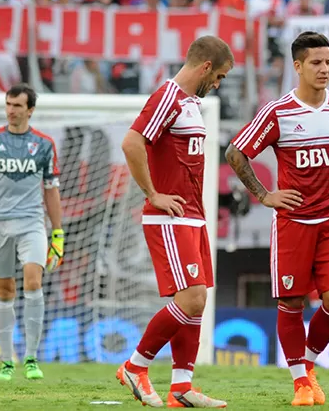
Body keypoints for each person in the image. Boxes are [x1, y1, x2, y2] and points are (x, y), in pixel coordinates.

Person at [225, 31, 329, 407]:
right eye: (316, 63)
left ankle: (307, 365)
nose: (324, 69)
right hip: (293, 223)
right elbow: (235, 152)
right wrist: (264, 195)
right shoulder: (279, 112)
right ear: (298, 66)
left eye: (328, 62)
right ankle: (300, 384)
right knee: (291, 303)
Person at [117, 36, 234, 408]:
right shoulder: (168, 97)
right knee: (192, 297)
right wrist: (152, 194)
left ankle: (181, 386)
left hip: (193, 217)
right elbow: (132, 142)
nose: (218, 84)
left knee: (197, 301)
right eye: (219, 76)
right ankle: (136, 366)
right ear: (205, 68)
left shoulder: (190, 103)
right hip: (170, 217)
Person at [0, 83, 64, 382]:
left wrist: (57, 233)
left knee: (33, 281)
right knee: (4, 290)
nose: (11, 110)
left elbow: (51, 191)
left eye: (17, 105)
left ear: (30, 110)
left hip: (32, 222)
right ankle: (7, 361)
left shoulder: (44, 145)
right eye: (8, 104)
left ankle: (31, 358)